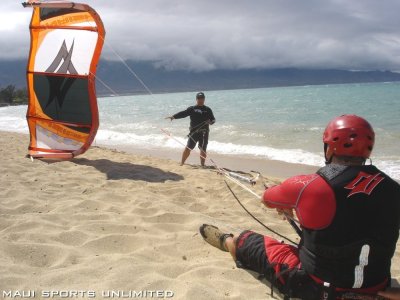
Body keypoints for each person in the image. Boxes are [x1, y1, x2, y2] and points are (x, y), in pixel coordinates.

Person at [200, 115, 400, 300]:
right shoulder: (394, 188)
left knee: (246, 240)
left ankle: (228, 242)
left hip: (317, 288)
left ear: (329, 148)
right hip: (378, 289)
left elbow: (267, 198)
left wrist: (291, 204)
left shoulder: (310, 185)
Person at [166, 92, 215, 166]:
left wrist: (210, 122)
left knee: (203, 149)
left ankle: (202, 165)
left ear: (204, 99)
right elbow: (184, 113)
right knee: (188, 147)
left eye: (202, 98)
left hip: (204, 132)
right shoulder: (192, 109)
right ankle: (182, 163)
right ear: (196, 99)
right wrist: (174, 116)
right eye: (199, 99)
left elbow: (213, 119)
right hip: (194, 132)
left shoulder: (208, 109)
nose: (200, 100)